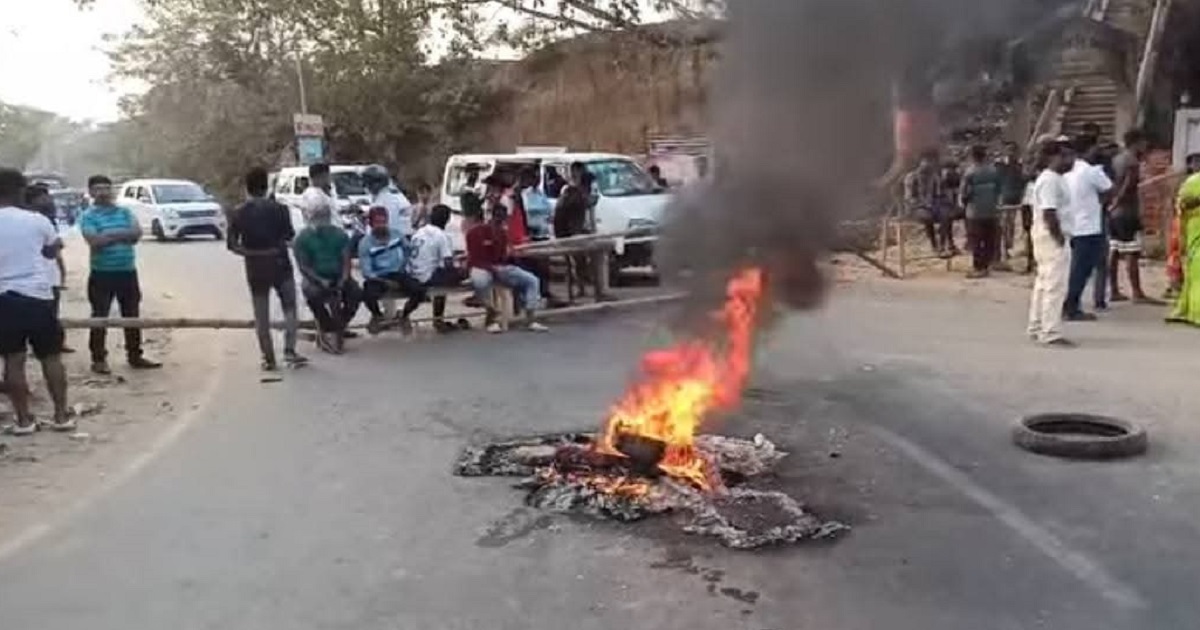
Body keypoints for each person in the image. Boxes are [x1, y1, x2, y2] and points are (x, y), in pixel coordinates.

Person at [0, 168, 72, 434]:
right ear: (20, 190)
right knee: (51, 358)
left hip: (4, 299)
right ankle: (61, 416)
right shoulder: (37, 220)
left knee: (13, 360)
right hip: (38, 296)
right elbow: (52, 251)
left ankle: (23, 420)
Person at [79, 175, 162, 374]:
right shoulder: (88, 216)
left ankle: (135, 355)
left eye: (106, 188)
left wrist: (108, 235)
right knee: (99, 317)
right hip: (102, 273)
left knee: (132, 315)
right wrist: (122, 234)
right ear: (90, 192)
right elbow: (95, 241)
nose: (103, 193)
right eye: (98, 189)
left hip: (127, 272)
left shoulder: (125, 212)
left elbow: (136, 234)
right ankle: (98, 359)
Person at [227, 167, 307, 372]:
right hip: (280, 262)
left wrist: (252, 253)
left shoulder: (238, 212)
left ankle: (268, 358)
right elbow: (289, 236)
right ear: (267, 186)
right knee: (290, 308)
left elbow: (232, 245)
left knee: (261, 314)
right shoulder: (280, 209)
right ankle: (290, 351)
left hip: (256, 267)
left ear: (247, 188)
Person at [463, 204, 547, 333]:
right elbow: (474, 258)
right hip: (480, 267)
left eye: (502, 219)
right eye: (497, 218)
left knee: (532, 280)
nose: (500, 221)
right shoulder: (475, 233)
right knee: (481, 281)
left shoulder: (502, 233)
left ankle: (530, 319)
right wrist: (493, 268)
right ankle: (492, 317)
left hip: (500, 267)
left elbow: (503, 257)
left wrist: (511, 258)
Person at [293, 203, 361, 353]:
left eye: (323, 218)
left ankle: (339, 325)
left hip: (338, 275)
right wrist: (319, 280)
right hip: (315, 278)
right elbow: (304, 266)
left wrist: (344, 278)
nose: (320, 222)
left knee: (355, 292)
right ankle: (327, 327)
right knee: (312, 294)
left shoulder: (339, 235)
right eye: (317, 218)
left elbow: (346, 260)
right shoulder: (302, 238)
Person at [1027, 140, 1075, 347]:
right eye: (1066, 156)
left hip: (1045, 234)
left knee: (1043, 282)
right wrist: (1059, 237)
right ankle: (1050, 331)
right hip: (1051, 235)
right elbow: (1049, 212)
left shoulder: (1054, 179)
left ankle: (1037, 325)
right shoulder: (1050, 180)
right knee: (1055, 284)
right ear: (1053, 157)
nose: (1070, 161)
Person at [1062, 136, 1114, 321]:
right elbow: (1110, 189)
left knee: (1072, 268)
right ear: (1088, 150)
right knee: (1082, 270)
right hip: (1089, 227)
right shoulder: (1091, 171)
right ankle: (1072, 306)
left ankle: (1067, 303)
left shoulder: (1067, 171)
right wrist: (1101, 203)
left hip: (1071, 225)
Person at [1107, 129, 1160, 304]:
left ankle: (1114, 289)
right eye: (1143, 142)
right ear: (1136, 142)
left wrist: (1112, 203)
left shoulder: (1116, 159)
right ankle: (1137, 292)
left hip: (1114, 213)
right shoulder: (1132, 162)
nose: (1145, 146)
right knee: (1131, 251)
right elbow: (1128, 185)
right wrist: (1118, 201)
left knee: (1114, 250)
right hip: (1127, 211)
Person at [23, 185, 73, 353]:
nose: (48, 200)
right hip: (34, 276)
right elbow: (52, 249)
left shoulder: (48, 219)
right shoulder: (33, 221)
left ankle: (56, 342)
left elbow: (56, 250)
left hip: (50, 274)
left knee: (53, 311)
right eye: (43, 197)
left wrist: (62, 272)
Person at [405, 204, 463, 332]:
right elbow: (448, 264)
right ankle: (438, 319)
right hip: (426, 277)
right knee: (456, 275)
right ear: (447, 220)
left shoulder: (420, 231)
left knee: (442, 274)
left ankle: (433, 318)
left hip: (412, 273)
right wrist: (460, 269)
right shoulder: (442, 236)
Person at [358, 207, 412, 334]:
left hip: (397, 273)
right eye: (378, 222)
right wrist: (385, 282)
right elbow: (367, 272)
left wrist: (403, 266)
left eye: (384, 222)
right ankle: (377, 316)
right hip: (378, 277)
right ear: (371, 224)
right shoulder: (365, 243)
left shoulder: (396, 234)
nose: (381, 226)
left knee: (419, 290)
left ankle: (404, 315)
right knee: (367, 294)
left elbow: (408, 250)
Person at [959, 145, 1004, 278]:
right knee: (989, 239)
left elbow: (964, 193)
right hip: (991, 210)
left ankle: (978, 267)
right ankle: (987, 265)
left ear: (972, 156)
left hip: (975, 212)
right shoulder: (993, 171)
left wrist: (963, 204)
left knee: (977, 240)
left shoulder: (969, 173)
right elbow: (999, 191)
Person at [1167, 167, 1200, 326]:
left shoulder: (1190, 182)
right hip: (1194, 229)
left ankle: (1186, 309)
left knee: (1193, 273)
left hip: (1192, 229)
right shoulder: (1193, 182)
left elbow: (1181, 206)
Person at [902, 150, 950, 256]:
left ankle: (942, 245)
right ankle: (934, 245)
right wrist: (923, 204)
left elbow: (939, 194)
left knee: (946, 216)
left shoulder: (935, 177)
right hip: (916, 208)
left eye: (932, 162)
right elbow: (909, 198)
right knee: (928, 217)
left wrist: (942, 202)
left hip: (933, 206)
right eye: (927, 161)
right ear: (921, 161)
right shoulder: (912, 177)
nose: (929, 164)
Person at [362, 164, 413, 240]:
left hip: (391, 239)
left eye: (368, 183)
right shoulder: (395, 195)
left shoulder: (384, 200)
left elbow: (379, 227)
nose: (366, 187)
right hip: (402, 236)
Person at [996, 141, 1026, 262]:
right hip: (1004, 198)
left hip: (1016, 198)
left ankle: (1009, 247)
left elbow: (1022, 181)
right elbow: (997, 181)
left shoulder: (1019, 165)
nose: (1011, 153)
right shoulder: (1000, 165)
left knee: (1012, 224)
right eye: (1009, 150)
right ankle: (1005, 249)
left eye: (1013, 150)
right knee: (1004, 225)